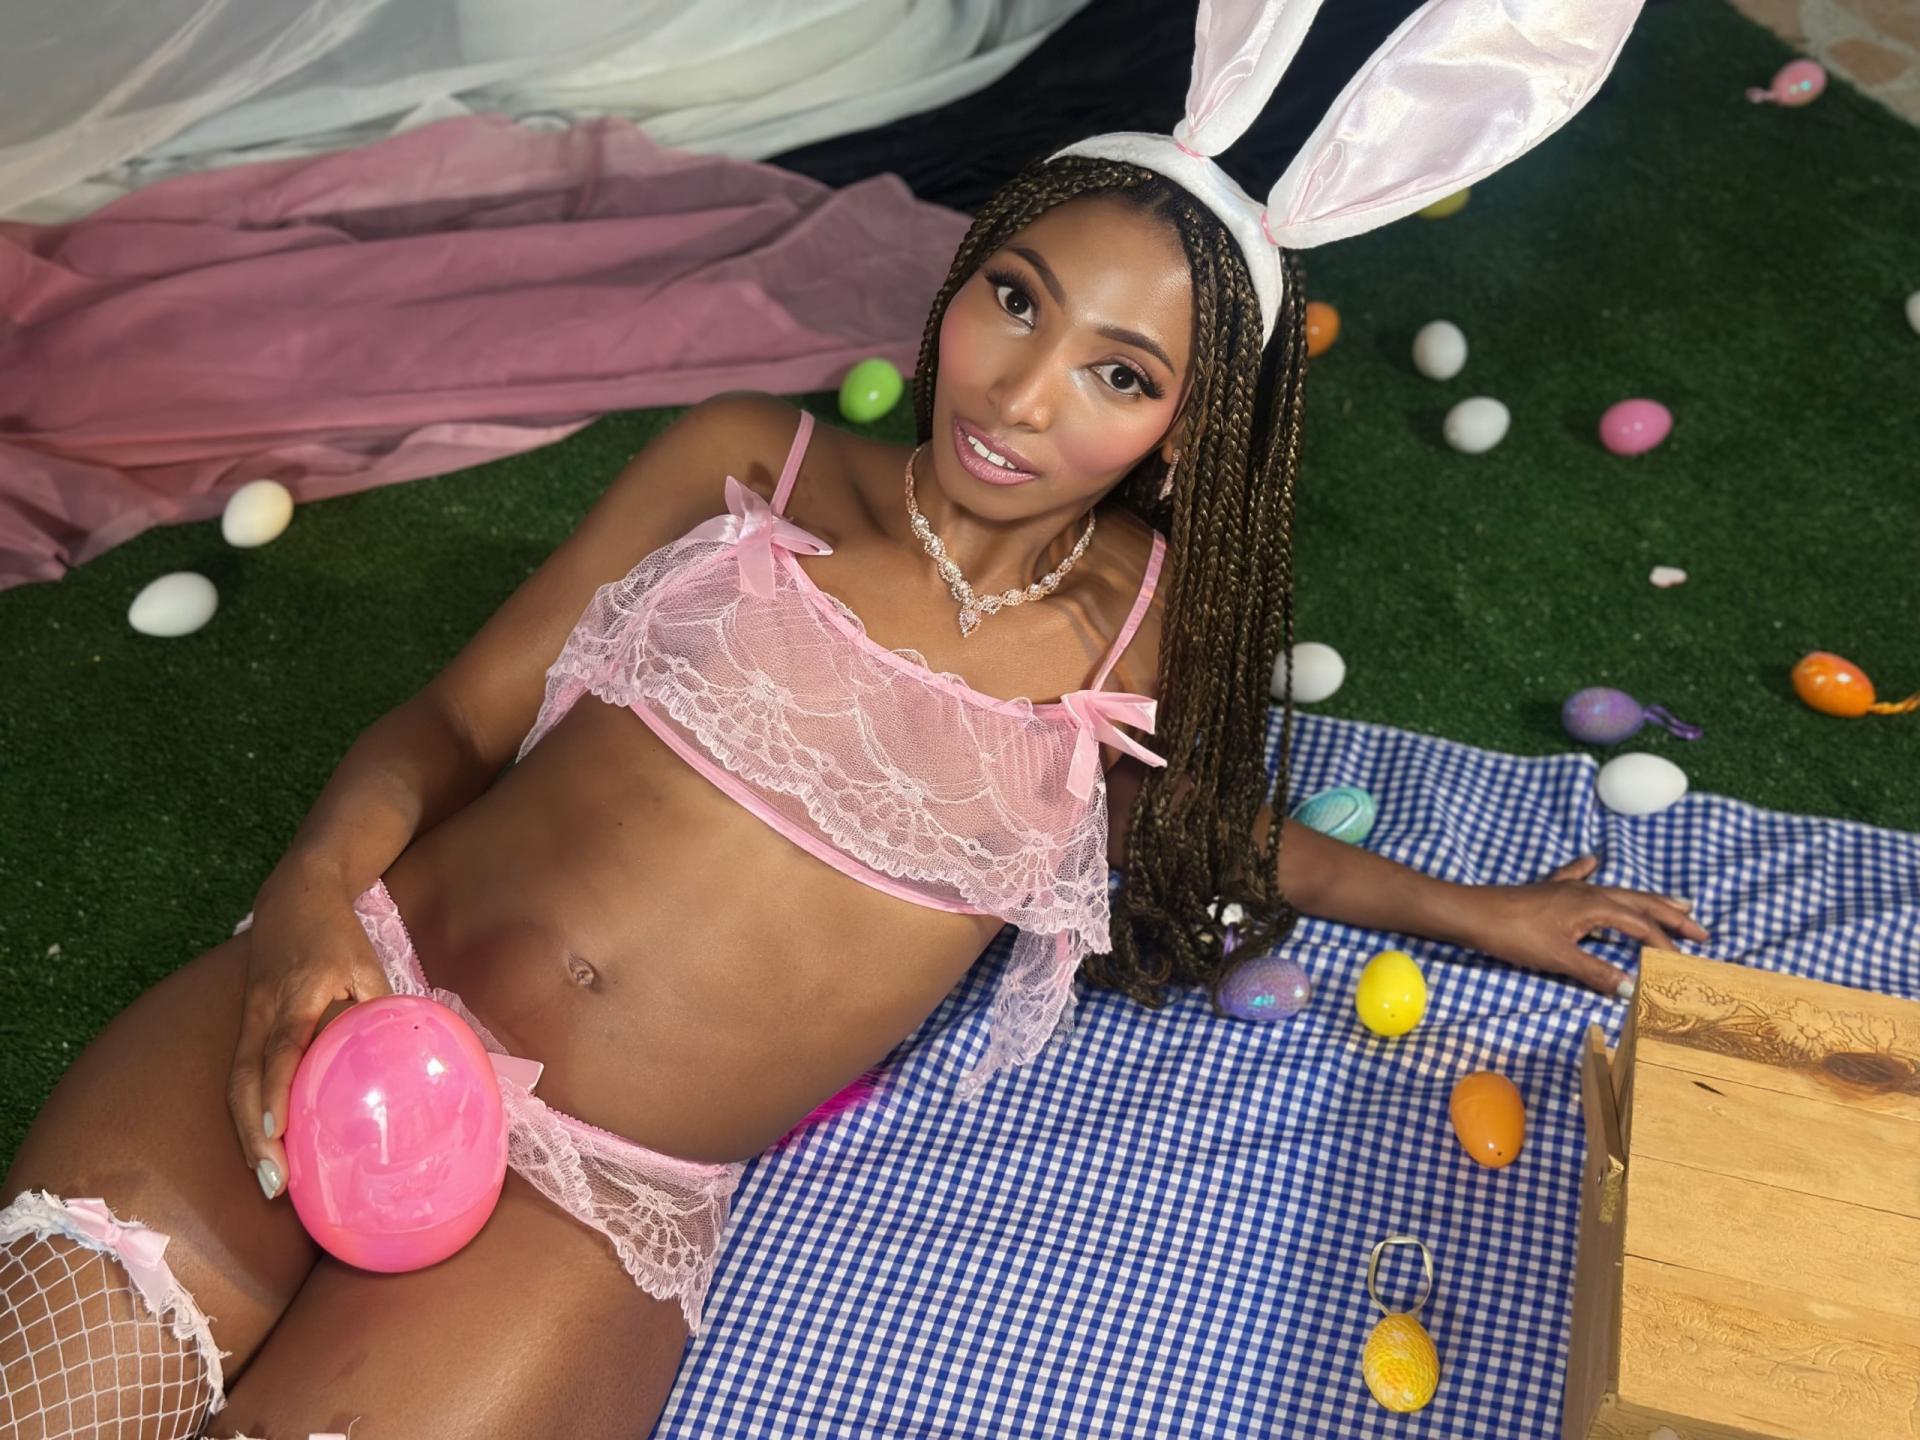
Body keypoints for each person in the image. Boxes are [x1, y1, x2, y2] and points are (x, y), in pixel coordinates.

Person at [2, 5, 1671, 1435]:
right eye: (1014, 299)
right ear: (959, 281)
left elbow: (1197, 831)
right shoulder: (749, 462)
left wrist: (1476, 910)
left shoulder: (1144, 633)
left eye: (1120, 373)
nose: (1022, 392)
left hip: (591, 1195)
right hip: (363, 977)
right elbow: (451, 722)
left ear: (1185, 430)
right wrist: (308, 906)